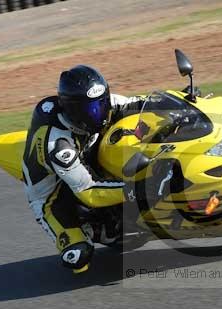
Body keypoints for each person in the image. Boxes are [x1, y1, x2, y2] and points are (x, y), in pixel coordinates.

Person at [22, 65, 144, 274]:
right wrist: (141, 187)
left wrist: (184, 100)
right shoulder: (57, 144)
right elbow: (89, 191)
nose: (100, 114)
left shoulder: (104, 104)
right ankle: (92, 229)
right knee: (78, 257)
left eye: (102, 103)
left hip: (86, 156)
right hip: (54, 194)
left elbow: (143, 102)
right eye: (91, 110)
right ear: (72, 110)